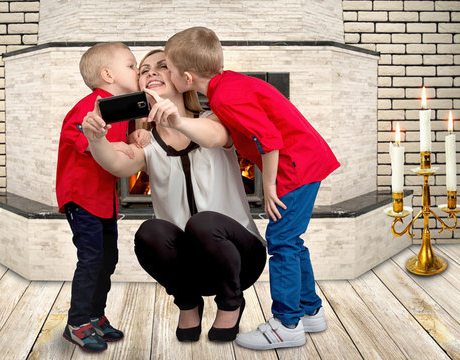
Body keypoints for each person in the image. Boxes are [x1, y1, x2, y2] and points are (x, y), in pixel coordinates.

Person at [148, 27, 340, 350]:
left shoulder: (225, 96)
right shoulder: (228, 84)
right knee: (292, 239)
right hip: (304, 161)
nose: (165, 72)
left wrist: (267, 187)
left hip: (295, 169)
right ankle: (311, 310)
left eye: (168, 67)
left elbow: (270, 139)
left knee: (282, 241)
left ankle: (286, 323)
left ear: (188, 78)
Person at [81, 49, 267, 343]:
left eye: (162, 66)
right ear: (141, 85)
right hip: (192, 267)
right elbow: (117, 164)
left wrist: (175, 120)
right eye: (144, 70)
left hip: (241, 258)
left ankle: (231, 302)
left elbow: (214, 136)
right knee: (149, 232)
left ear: (182, 77)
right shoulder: (147, 145)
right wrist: (96, 138)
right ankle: (188, 302)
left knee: (203, 223)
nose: (151, 72)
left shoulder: (215, 118)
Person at [56, 42, 148, 353]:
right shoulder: (93, 104)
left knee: (108, 259)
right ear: (107, 74)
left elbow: (129, 133)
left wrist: (136, 134)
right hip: (81, 197)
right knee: (92, 259)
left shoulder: (120, 105)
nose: (137, 71)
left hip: (103, 199)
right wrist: (104, 140)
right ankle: (77, 322)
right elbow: (75, 133)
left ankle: (95, 315)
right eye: (132, 65)